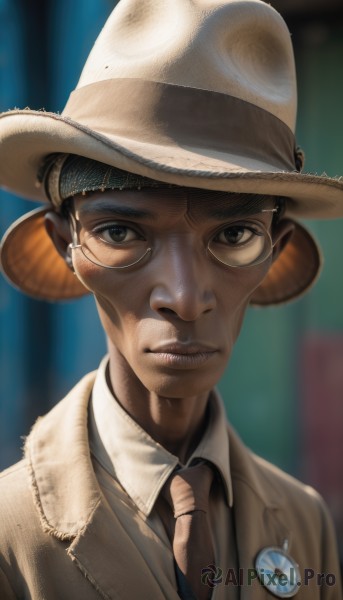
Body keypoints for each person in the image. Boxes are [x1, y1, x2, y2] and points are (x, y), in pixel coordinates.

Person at [0, 0, 342, 598]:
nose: (184, 298)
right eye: (121, 232)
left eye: (234, 235)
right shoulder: (9, 534)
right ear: (66, 244)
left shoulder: (304, 522)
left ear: (275, 248)